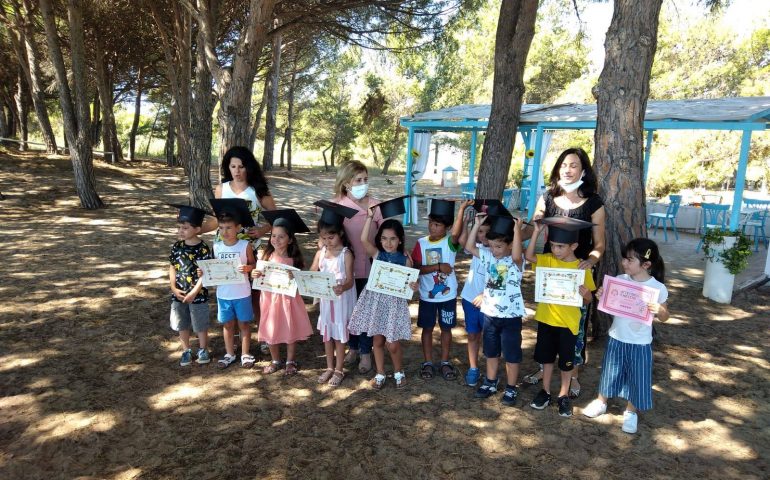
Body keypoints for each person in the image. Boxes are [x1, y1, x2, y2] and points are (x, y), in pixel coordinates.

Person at [525, 147, 606, 398]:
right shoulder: (548, 197)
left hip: (578, 272)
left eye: (573, 165)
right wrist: (524, 230)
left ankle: (574, 375)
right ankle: (544, 369)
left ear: (583, 170)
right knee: (549, 325)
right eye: (563, 165)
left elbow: (600, 244)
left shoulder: (594, 202)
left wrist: (590, 261)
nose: (567, 170)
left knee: (576, 326)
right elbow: (533, 227)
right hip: (551, 270)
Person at [582, 238, 669, 434]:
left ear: (646, 264)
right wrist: (602, 295)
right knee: (610, 371)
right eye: (624, 259)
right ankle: (601, 401)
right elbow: (609, 303)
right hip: (616, 337)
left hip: (640, 342)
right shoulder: (620, 280)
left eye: (630, 260)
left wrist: (659, 311)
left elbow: (665, 316)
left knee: (637, 376)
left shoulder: (658, 288)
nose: (624, 263)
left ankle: (631, 411)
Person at [203, 146, 277, 355]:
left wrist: (262, 229)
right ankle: (233, 340)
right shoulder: (222, 188)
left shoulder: (258, 190)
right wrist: (196, 229)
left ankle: (263, 336)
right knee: (229, 293)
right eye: (233, 166)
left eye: (241, 166)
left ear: (249, 167)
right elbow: (216, 220)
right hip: (225, 248)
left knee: (254, 294)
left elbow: (277, 217)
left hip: (249, 248)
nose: (237, 170)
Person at [525, 216, 597, 417]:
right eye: (553, 245)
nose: (556, 250)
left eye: (560, 247)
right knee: (546, 359)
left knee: (566, 362)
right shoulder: (547, 259)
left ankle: (563, 395)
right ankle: (545, 391)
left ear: (573, 245)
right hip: (547, 320)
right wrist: (536, 234)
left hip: (569, 323)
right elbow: (529, 256)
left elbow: (588, 300)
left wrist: (586, 295)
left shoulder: (581, 268)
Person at [348, 198, 417, 389]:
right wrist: (369, 218)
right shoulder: (378, 254)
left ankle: (398, 371)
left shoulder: (405, 260)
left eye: (393, 238)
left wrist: (414, 286)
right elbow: (363, 240)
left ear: (400, 239)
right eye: (384, 238)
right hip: (376, 302)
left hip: (394, 304)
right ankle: (380, 373)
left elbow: (410, 284)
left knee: (392, 343)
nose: (388, 242)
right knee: (377, 340)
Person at [465, 211, 526, 406]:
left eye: (499, 246)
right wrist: (477, 224)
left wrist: (517, 230)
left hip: (511, 317)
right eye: (491, 246)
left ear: (509, 244)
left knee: (511, 354)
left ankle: (511, 387)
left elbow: (516, 253)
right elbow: (469, 246)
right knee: (491, 352)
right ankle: (491, 382)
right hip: (490, 314)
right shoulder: (488, 256)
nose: (494, 250)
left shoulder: (517, 262)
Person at [330, 160, 383, 374]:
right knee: (349, 312)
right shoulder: (336, 206)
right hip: (346, 269)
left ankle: (365, 351)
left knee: (366, 312)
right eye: (358, 180)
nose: (363, 184)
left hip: (371, 268)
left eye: (365, 180)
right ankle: (352, 347)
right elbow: (328, 234)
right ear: (346, 183)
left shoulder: (376, 206)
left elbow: (386, 234)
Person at [253, 209, 313, 376]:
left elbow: (302, 280)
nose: (276, 240)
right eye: (273, 236)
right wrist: (255, 274)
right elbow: (258, 275)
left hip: (288, 300)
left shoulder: (294, 259)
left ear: (290, 239)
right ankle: (275, 360)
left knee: (289, 327)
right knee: (271, 328)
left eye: (281, 236)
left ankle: (290, 360)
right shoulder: (265, 256)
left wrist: (296, 275)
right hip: (269, 298)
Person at [412, 199, 465, 381]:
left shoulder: (450, 242)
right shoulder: (421, 243)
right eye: (430, 223)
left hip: (447, 296)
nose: (432, 227)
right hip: (427, 297)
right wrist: (438, 266)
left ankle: (444, 361)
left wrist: (462, 210)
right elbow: (416, 268)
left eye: (437, 225)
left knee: (446, 329)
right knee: (427, 329)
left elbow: (457, 233)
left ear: (447, 227)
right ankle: (427, 362)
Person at [310, 201, 357, 387]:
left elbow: (350, 280)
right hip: (326, 301)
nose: (328, 241)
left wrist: (342, 287)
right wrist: (302, 277)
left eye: (331, 237)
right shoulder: (321, 253)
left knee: (338, 335)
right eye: (324, 238)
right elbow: (313, 271)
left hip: (341, 300)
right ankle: (329, 367)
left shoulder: (345, 254)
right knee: (327, 335)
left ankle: (339, 369)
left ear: (340, 234)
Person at [209, 199, 257, 369]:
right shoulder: (217, 247)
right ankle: (229, 353)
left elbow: (254, 265)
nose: (225, 231)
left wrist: (248, 268)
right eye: (221, 228)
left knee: (244, 324)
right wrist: (204, 272)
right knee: (228, 325)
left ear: (238, 228)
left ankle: (245, 353)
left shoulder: (245, 246)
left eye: (229, 228)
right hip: (223, 294)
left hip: (242, 293)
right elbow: (213, 269)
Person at [457, 199, 498, 386]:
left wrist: (486, 296)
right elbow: (465, 243)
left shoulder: (499, 253)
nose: (483, 236)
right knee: (473, 335)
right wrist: (474, 224)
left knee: (490, 338)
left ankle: (491, 373)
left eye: (487, 233)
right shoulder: (478, 249)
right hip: (470, 299)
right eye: (480, 232)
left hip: (491, 302)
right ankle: (474, 368)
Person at [168, 204, 213, 366]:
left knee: (200, 323)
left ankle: (202, 349)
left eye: (185, 228)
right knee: (182, 322)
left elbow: (206, 272)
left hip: (198, 294)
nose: (181, 231)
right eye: (180, 227)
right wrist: (173, 287)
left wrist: (195, 291)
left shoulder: (203, 248)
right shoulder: (177, 247)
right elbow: (172, 267)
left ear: (197, 229)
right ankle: (186, 350)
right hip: (179, 293)